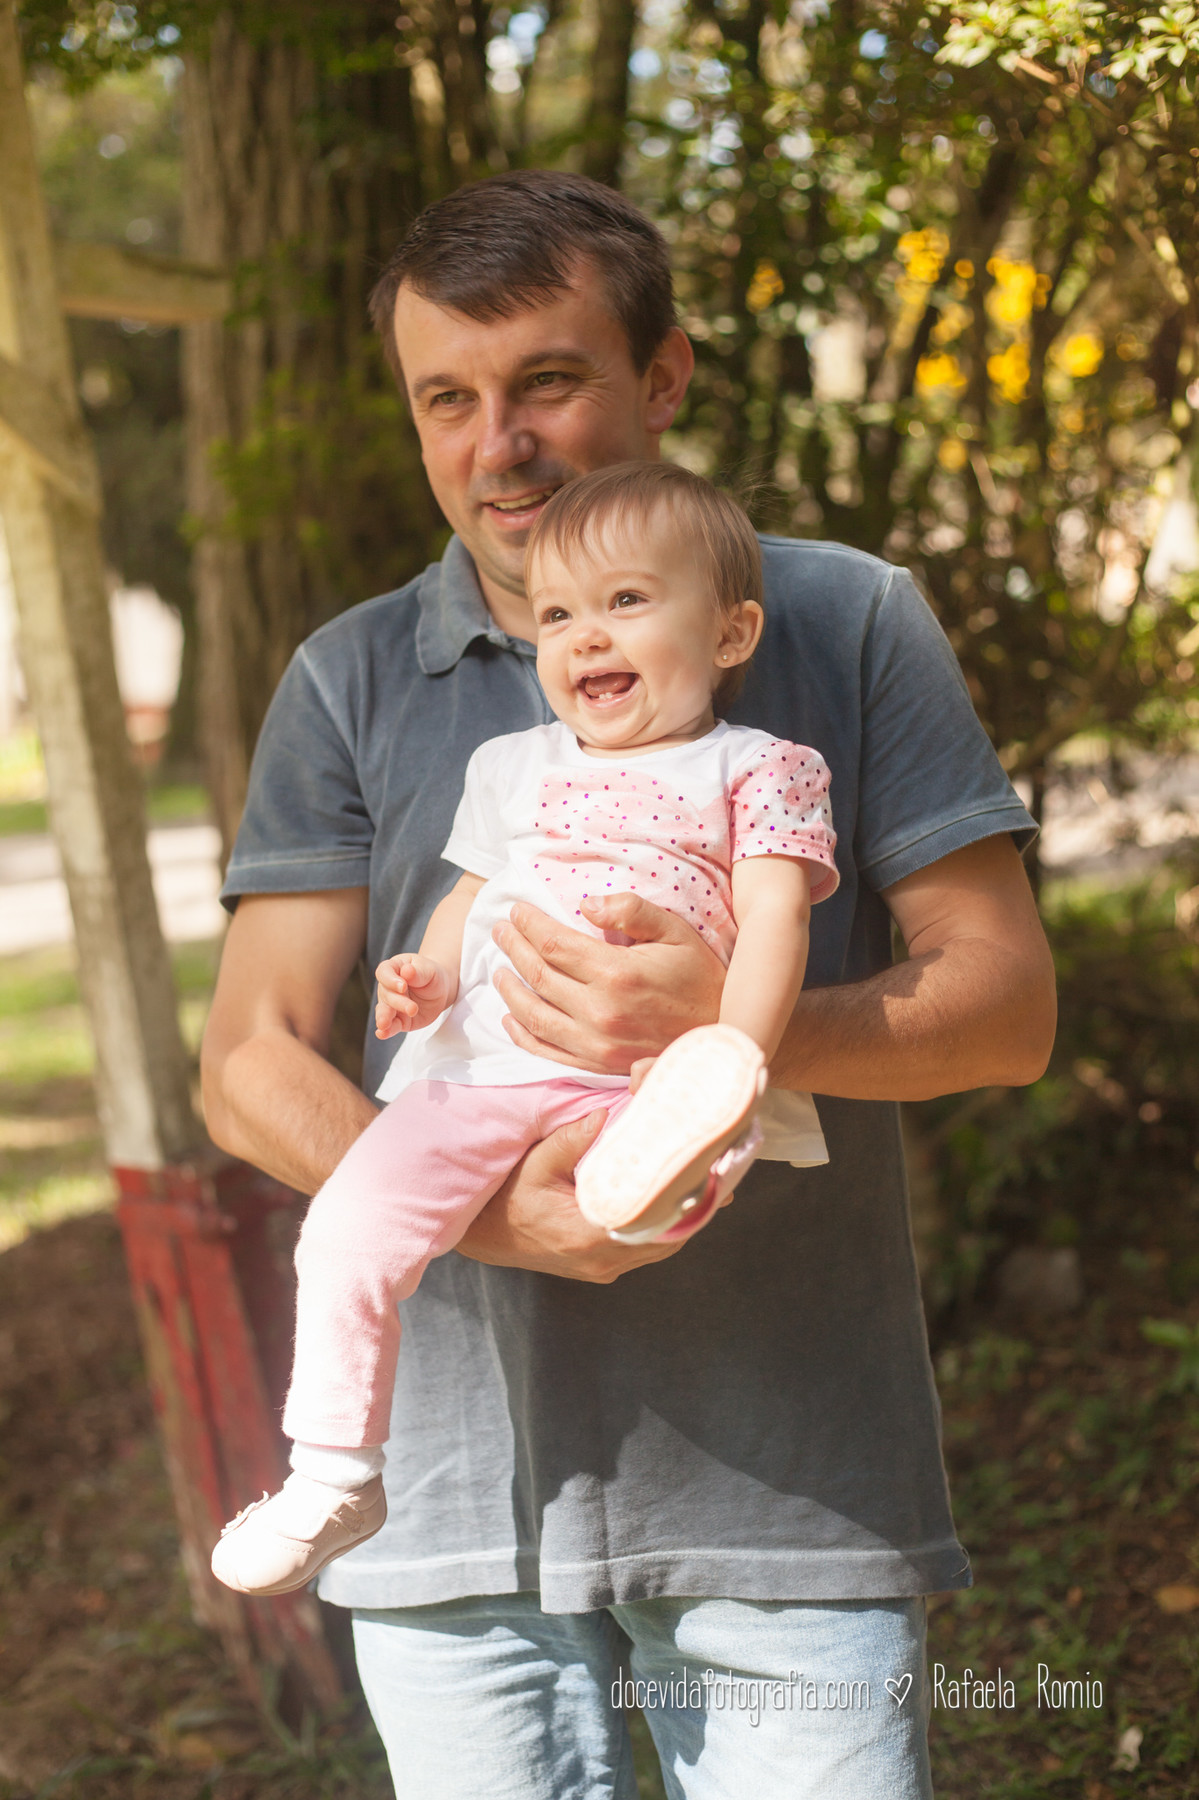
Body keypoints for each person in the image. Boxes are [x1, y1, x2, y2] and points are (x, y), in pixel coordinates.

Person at [201, 170, 1056, 1799]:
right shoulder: (350, 676)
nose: (496, 445)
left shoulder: (839, 621)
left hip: (786, 1498)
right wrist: (493, 1215)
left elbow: (1005, 1008)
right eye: (446, 399)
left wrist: (730, 1031)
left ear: (662, 377)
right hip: (449, 1524)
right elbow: (248, 1054)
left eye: (545, 381)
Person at [209, 462, 839, 1599]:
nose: (584, 636)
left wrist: (732, 1053)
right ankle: (334, 1469)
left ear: (730, 632)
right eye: (556, 615)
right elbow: (469, 897)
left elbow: (774, 923)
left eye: (626, 602)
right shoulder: (512, 766)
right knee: (344, 1228)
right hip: (480, 1075)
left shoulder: (757, 768)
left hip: (640, 1073)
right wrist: (428, 978)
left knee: (662, 1161)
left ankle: (689, 1145)